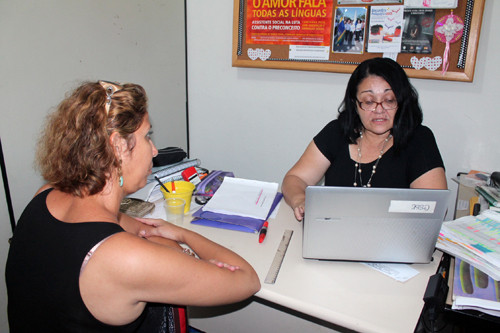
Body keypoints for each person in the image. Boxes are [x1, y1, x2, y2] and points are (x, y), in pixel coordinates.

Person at [5, 80, 260, 332]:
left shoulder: (47, 193)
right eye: (147, 136)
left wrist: (168, 248)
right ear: (117, 146)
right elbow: (246, 280)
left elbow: (142, 230)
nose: (155, 150)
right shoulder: (120, 255)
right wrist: (184, 235)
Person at [282, 58, 447, 221]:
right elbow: (296, 178)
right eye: (369, 101)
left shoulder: (419, 139)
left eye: (389, 100)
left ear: (401, 101)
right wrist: (299, 200)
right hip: (335, 235)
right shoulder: (337, 131)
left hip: (393, 240)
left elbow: (432, 210)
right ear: (355, 104)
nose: (379, 109)